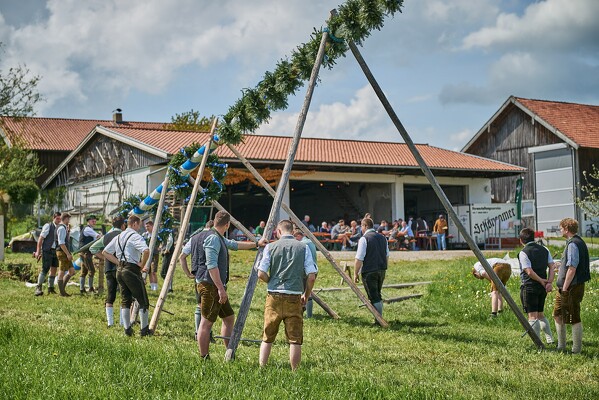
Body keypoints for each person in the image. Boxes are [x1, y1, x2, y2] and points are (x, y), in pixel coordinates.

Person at [193, 211, 261, 359]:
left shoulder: (218, 237)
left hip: (215, 286)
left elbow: (234, 244)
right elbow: (211, 266)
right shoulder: (213, 238)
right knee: (206, 323)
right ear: (228, 224)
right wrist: (220, 289)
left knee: (229, 318)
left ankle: (229, 353)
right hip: (211, 286)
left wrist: (256, 244)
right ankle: (204, 357)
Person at [257, 220, 317, 370]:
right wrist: (306, 295)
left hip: (274, 296)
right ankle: (295, 372)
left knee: (268, 335)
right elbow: (311, 276)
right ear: (292, 230)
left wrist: (270, 281)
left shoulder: (271, 247)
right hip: (294, 295)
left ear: (278, 231)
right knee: (295, 339)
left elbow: (261, 273)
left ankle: (262, 368)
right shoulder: (304, 247)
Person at [103, 215, 151, 336]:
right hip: (131, 270)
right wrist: (141, 264)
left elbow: (105, 252)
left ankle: (127, 329)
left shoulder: (119, 236)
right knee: (143, 301)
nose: (139, 227)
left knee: (125, 300)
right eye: (139, 225)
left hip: (119, 270)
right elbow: (146, 251)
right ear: (134, 224)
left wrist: (119, 262)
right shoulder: (135, 236)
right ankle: (144, 330)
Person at [553, 218, 591, 353]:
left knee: (574, 315)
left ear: (567, 229)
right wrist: (560, 265)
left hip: (571, 287)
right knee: (558, 314)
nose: (560, 230)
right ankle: (561, 346)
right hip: (569, 286)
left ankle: (576, 350)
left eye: (561, 228)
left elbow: (572, 268)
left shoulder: (573, 244)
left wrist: (564, 288)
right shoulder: (577, 241)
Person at [518, 227, 555, 345]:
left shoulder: (523, 252)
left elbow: (529, 271)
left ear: (521, 240)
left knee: (532, 316)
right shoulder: (545, 249)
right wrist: (549, 282)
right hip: (542, 287)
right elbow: (552, 267)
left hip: (530, 286)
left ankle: (537, 342)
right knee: (540, 314)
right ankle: (550, 339)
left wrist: (540, 280)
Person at [91, 217, 126, 327]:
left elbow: (92, 248)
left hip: (109, 268)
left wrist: (104, 257)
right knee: (124, 295)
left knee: (110, 295)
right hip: (121, 268)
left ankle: (110, 323)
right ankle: (122, 322)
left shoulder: (106, 236)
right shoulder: (124, 235)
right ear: (123, 226)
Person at [354, 217, 388, 324]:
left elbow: (359, 258)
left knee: (374, 296)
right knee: (377, 294)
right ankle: (379, 318)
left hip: (369, 271)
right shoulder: (383, 238)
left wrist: (355, 273)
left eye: (362, 226)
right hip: (382, 269)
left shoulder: (364, 239)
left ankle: (379, 320)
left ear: (364, 226)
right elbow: (387, 256)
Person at [33, 212, 62, 296]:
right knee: (45, 269)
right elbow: (40, 239)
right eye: (57, 218)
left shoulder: (60, 227)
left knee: (54, 269)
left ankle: (51, 288)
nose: (59, 220)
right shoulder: (48, 226)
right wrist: (38, 251)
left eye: (60, 219)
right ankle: (38, 287)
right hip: (47, 250)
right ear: (53, 218)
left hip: (55, 250)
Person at [293, 228, 318, 318]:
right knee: (308, 291)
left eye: (295, 237)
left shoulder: (303, 244)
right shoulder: (310, 241)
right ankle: (308, 314)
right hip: (314, 269)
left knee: (305, 293)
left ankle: (306, 315)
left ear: (299, 236)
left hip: (305, 271)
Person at [80, 215, 102, 294]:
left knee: (84, 271)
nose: (94, 222)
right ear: (88, 221)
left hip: (85, 252)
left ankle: (82, 289)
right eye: (93, 221)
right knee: (91, 270)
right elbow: (98, 236)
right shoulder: (87, 229)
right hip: (86, 253)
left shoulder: (89, 229)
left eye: (95, 221)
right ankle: (90, 288)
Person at [56, 213, 76, 297]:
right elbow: (61, 243)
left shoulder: (64, 228)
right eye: (68, 219)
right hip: (62, 252)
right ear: (66, 218)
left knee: (72, 271)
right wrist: (68, 254)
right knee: (61, 271)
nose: (69, 221)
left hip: (65, 251)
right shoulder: (61, 228)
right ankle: (62, 292)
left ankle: (62, 289)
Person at [142, 220, 160, 291]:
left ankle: (155, 286)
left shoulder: (155, 235)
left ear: (152, 226)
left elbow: (160, 242)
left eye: (148, 226)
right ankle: (152, 286)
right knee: (148, 271)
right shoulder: (144, 235)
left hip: (154, 254)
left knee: (153, 271)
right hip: (147, 254)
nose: (147, 228)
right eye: (146, 226)